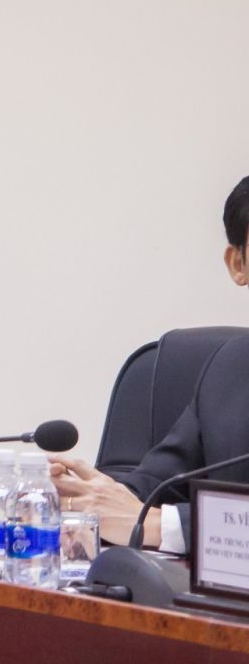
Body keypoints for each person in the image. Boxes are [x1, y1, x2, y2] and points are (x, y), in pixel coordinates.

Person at [52, 176, 249, 550]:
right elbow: (158, 483)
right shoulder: (229, 367)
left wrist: (160, 525)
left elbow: (147, 518)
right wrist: (84, 494)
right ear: (238, 264)